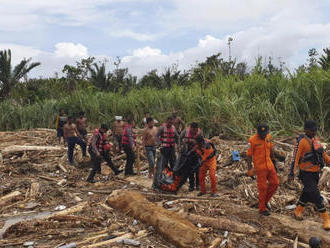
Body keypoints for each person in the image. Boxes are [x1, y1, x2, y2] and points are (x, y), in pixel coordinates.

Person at [289, 120, 330, 230]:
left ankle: (298, 210)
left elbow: (323, 155)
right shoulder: (301, 142)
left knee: (307, 192)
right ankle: (326, 219)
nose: (313, 132)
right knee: (316, 196)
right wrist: (291, 172)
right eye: (311, 130)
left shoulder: (316, 140)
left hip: (315, 173)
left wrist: (328, 161)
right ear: (305, 130)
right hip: (305, 173)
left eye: (315, 130)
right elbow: (295, 158)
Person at [246, 124, 279, 216]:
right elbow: (249, 155)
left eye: (265, 133)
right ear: (258, 132)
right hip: (260, 168)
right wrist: (249, 169)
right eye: (262, 134)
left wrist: (274, 160)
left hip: (270, 165)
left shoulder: (268, 137)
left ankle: (264, 201)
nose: (263, 135)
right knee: (262, 188)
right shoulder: (252, 140)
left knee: (275, 183)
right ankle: (262, 208)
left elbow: (271, 148)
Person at [180, 122, 203, 191]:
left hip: (197, 153)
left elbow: (201, 141)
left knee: (198, 170)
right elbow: (180, 137)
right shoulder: (186, 131)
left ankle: (198, 185)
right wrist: (181, 145)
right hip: (188, 152)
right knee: (190, 170)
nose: (195, 131)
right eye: (194, 130)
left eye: (196, 130)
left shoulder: (199, 132)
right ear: (191, 128)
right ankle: (191, 186)